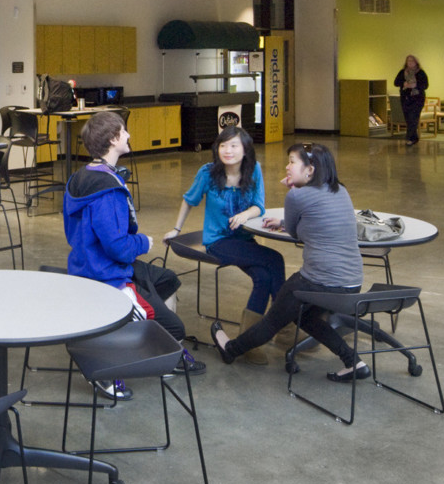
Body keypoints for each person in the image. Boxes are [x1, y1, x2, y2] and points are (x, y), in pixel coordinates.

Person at [63, 110, 204, 392]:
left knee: (166, 279)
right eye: (124, 131)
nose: (128, 135)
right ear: (114, 139)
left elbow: (73, 234)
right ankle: (104, 366)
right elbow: (118, 248)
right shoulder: (108, 191)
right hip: (107, 276)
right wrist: (143, 242)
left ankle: (162, 354)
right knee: (172, 328)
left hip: (86, 266)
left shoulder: (79, 178)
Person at [211, 143, 368, 382]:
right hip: (352, 282)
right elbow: (315, 222)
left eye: (293, 161)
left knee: (275, 318)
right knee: (304, 316)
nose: (287, 166)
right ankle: (353, 361)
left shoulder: (297, 194)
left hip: (319, 280)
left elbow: (296, 233)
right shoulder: (340, 190)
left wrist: (294, 190)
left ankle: (231, 350)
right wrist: (284, 221)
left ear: (310, 170)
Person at [164, 125, 284, 365]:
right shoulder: (208, 173)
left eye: (233, 145)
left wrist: (245, 215)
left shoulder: (254, 170)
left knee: (263, 276)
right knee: (275, 259)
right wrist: (176, 229)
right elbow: (189, 201)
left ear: (245, 150)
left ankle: (250, 343)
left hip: (244, 239)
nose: (227, 150)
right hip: (218, 241)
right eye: (223, 145)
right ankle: (286, 326)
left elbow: (259, 205)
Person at [393, 55, 428, 147]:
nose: (410, 62)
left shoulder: (420, 73)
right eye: (408, 61)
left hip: (417, 99)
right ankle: (414, 137)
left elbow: (425, 85)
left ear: (416, 62)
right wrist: (404, 83)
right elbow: (396, 82)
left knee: (413, 117)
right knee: (408, 118)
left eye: (412, 61)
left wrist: (415, 86)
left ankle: (410, 138)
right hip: (406, 98)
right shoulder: (402, 72)